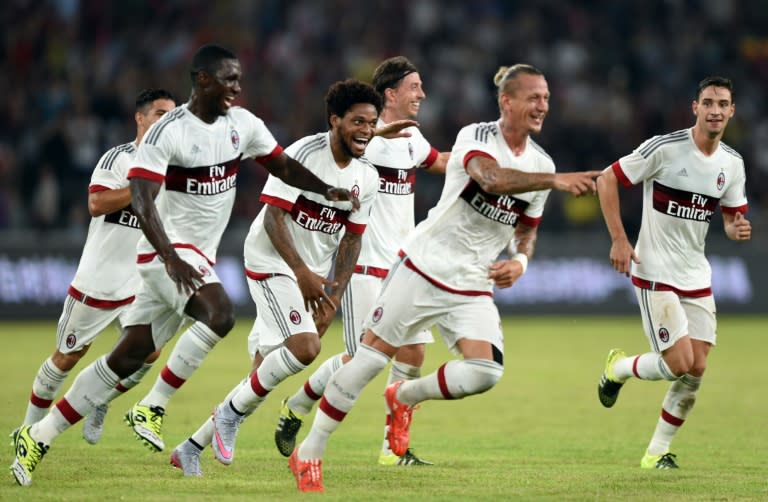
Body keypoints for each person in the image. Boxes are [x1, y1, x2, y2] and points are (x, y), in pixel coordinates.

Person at [10, 43, 359, 487]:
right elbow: (140, 197)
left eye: (239, 79)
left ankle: (39, 434)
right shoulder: (167, 133)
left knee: (128, 357)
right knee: (221, 313)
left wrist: (328, 191)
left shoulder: (243, 125)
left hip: (194, 257)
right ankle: (195, 411)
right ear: (202, 81)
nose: (236, 87)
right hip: (167, 256)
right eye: (227, 79)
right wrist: (170, 257)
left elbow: (285, 166)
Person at [287, 64, 601, 493]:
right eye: (534, 97)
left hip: (473, 281)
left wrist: (521, 261)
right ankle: (310, 451)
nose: (542, 105)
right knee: (371, 359)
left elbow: (527, 229)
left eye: (546, 97)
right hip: (423, 265)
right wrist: (556, 180)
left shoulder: (542, 163)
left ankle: (404, 397)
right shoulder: (477, 136)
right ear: (507, 101)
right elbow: (489, 178)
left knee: (485, 371)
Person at [168, 78, 380, 477]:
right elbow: (272, 216)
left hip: (312, 274)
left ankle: (190, 447)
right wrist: (301, 273)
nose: (366, 130)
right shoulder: (303, 154)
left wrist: (333, 296)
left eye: (371, 122)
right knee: (305, 348)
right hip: (271, 258)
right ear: (335, 119)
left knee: (261, 374)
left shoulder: (367, 177)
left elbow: (352, 241)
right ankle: (228, 416)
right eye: (358, 121)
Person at [273, 56, 449, 467]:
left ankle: (393, 450)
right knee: (364, 357)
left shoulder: (410, 140)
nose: (422, 94)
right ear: (391, 93)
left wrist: (484, 160)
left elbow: (440, 161)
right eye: (415, 87)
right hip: (365, 262)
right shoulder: (361, 141)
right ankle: (297, 407)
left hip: (404, 265)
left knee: (412, 354)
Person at [595, 76, 751, 470]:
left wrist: (737, 229)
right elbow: (607, 179)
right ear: (694, 107)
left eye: (723, 104)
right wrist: (618, 239)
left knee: (696, 369)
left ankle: (656, 453)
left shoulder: (732, 164)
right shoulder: (665, 149)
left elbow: (733, 219)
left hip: (696, 274)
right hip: (654, 270)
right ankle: (618, 368)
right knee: (679, 364)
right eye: (709, 102)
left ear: (732, 111)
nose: (715, 110)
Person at [15, 88, 176, 445]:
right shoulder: (119, 159)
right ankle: (27, 430)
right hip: (99, 280)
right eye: (161, 113)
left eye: (173, 115)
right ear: (141, 118)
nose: (169, 122)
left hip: (141, 282)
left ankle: (99, 397)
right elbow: (96, 202)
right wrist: (141, 189)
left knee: (147, 352)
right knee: (67, 357)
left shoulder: (174, 170)